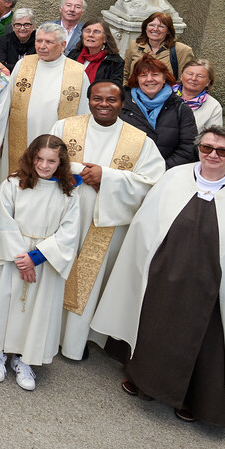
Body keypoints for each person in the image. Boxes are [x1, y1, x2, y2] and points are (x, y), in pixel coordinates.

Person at [93, 126, 225, 427]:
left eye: (222, 151)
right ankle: (144, 381)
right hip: (163, 274)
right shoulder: (175, 178)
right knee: (154, 323)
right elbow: (146, 225)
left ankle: (196, 399)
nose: (213, 155)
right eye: (207, 148)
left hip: (213, 287)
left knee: (208, 340)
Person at [48, 82, 165, 361]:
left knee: (91, 275)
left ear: (122, 103)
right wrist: (80, 170)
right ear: (88, 100)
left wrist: (108, 178)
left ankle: (76, 341)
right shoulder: (64, 127)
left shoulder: (140, 141)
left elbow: (154, 184)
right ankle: (47, 331)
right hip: (62, 213)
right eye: (97, 98)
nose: (104, 104)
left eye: (111, 99)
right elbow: (42, 159)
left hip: (105, 221)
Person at [0, 134, 83, 391]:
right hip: (13, 255)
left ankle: (24, 359)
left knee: (37, 309)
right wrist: (22, 258)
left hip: (44, 260)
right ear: (31, 157)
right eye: (39, 159)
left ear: (61, 162)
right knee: (4, 303)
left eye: (51, 161)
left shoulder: (68, 192)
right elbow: (1, 219)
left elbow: (69, 232)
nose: (44, 166)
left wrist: (36, 258)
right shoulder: (14, 183)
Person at [2, 24, 89, 178]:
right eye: (39, 41)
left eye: (48, 42)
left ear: (63, 45)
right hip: (21, 137)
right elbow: (6, 102)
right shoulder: (23, 65)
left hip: (55, 139)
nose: (42, 46)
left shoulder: (77, 72)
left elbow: (83, 116)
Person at [121, 54, 198, 169]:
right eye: (143, 75)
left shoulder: (181, 109)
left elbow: (188, 148)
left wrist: (161, 170)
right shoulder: (121, 105)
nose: (149, 79)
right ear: (136, 79)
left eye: (155, 74)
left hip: (165, 176)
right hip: (126, 171)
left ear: (164, 78)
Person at [123, 11, 194, 82]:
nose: (155, 29)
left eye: (161, 26)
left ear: (168, 31)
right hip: (134, 91)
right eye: (151, 25)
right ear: (145, 28)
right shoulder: (134, 45)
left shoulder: (182, 50)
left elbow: (185, 80)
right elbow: (124, 74)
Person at [67, 19, 125, 87]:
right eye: (87, 31)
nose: (91, 35)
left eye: (97, 32)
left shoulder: (114, 62)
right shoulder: (74, 54)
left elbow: (115, 89)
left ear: (105, 39)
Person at [177, 59, 224, 131]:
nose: (193, 78)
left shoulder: (213, 106)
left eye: (200, 76)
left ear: (208, 82)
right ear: (181, 76)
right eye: (190, 74)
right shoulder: (165, 96)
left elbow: (213, 137)